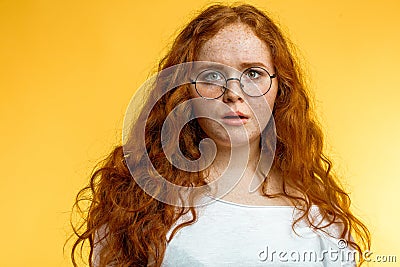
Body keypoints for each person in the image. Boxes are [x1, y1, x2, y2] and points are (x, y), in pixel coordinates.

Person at [70, 4, 371, 267]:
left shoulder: (320, 217)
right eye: (212, 75)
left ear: (282, 88)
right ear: (182, 89)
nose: (233, 94)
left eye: (253, 73)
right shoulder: (136, 201)